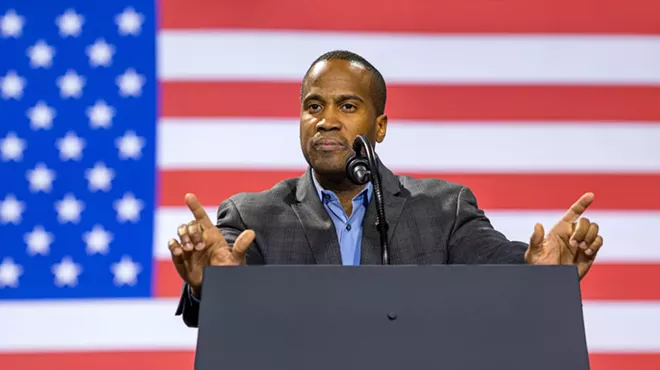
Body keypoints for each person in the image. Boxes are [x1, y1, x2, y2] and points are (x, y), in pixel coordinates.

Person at [169, 50, 604, 328]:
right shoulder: (251, 217)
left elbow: (497, 264)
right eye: (314, 106)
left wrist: (540, 271)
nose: (327, 120)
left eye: (348, 106)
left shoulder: (443, 209)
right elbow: (217, 298)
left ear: (379, 127)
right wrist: (212, 285)